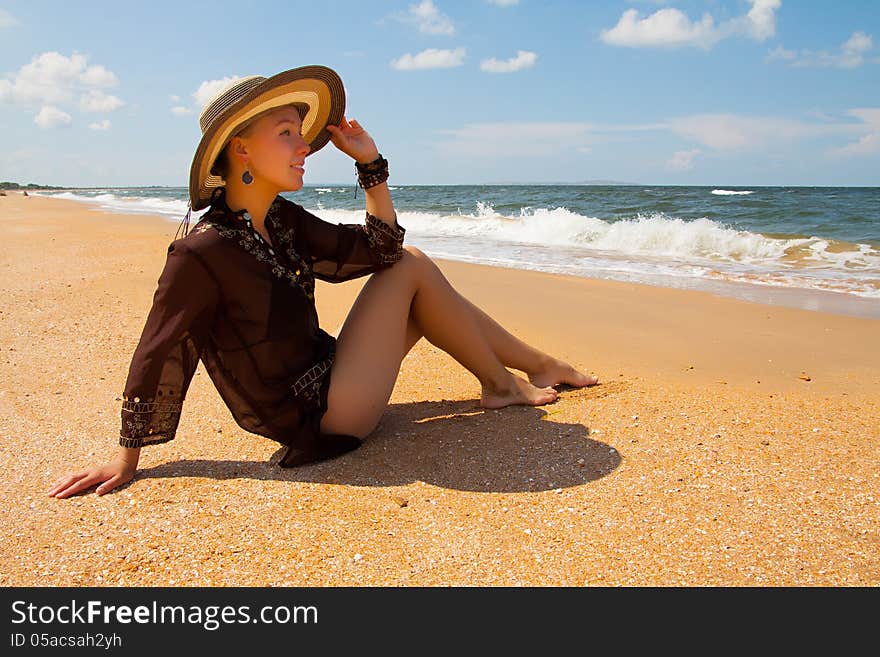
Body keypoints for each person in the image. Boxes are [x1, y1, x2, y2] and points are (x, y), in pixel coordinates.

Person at [48, 65, 598, 499]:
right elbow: (158, 348)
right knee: (413, 266)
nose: (304, 146)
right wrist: (127, 457)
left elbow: (378, 249)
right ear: (240, 148)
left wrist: (371, 165)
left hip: (336, 377)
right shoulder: (201, 250)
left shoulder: (281, 220)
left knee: (411, 271)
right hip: (322, 419)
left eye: (300, 133)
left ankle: (535, 366)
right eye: (286, 133)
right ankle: (502, 385)